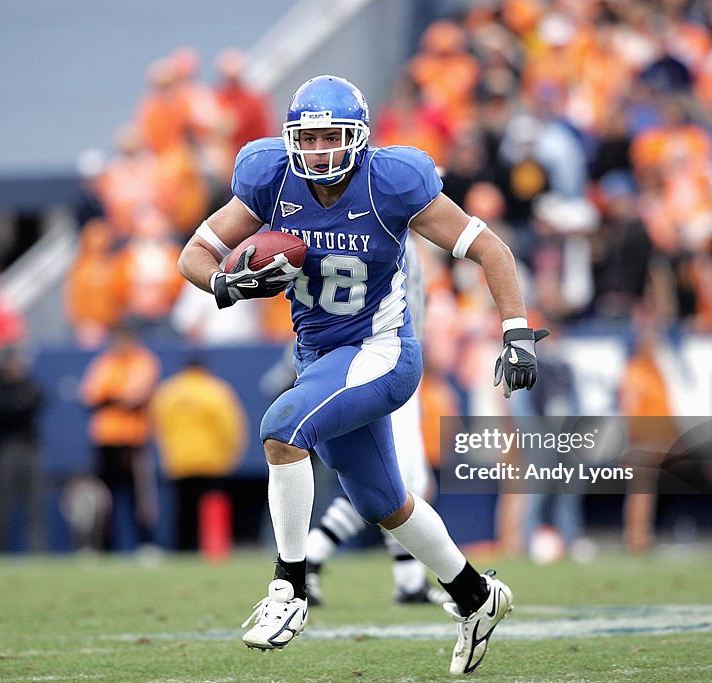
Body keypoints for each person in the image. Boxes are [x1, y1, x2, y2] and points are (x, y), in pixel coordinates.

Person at [178, 75, 546, 674]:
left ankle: (289, 588)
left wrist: (515, 331)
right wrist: (225, 284)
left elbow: (491, 250)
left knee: (281, 426)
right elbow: (195, 252)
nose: (320, 152)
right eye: (310, 138)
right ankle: (477, 598)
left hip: (381, 350)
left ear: (360, 138)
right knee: (383, 502)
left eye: (333, 138)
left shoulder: (394, 181)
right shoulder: (269, 175)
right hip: (318, 355)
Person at [305, 240, 449, 606]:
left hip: (387, 363)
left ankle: (407, 579)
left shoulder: (399, 238)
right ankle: (312, 557)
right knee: (398, 483)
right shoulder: (392, 237)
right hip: (388, 364)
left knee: (400, 483)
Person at [150, 357, 247, 551]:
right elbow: (230, 426)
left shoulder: (168, 392)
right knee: (211, 507)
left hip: (179, 461)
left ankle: (182, 549)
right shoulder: (215, 390)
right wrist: (232, 452)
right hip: (211, 460)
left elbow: (158, 426)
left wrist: (167, 453)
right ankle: (213, 548)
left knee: (183, 510)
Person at [79, 325, 160, 551]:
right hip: (104, 439)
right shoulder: (104, 363)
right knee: (103, 497)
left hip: (132, 440)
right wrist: (114, 399)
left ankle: (146, 543)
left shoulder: (143, 361)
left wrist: (109, 399)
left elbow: (133, 398)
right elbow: (89, 396)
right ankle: (101, 546)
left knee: (139, 496)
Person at [0, 347, 46, 553]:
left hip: (29, 447)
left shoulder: (27, 384)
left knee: (34, 504)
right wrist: (17, 405)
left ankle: (37, 552)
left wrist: (17, 405)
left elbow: (38, 401)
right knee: (2, 505)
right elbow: (1, 409)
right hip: (5, 449)